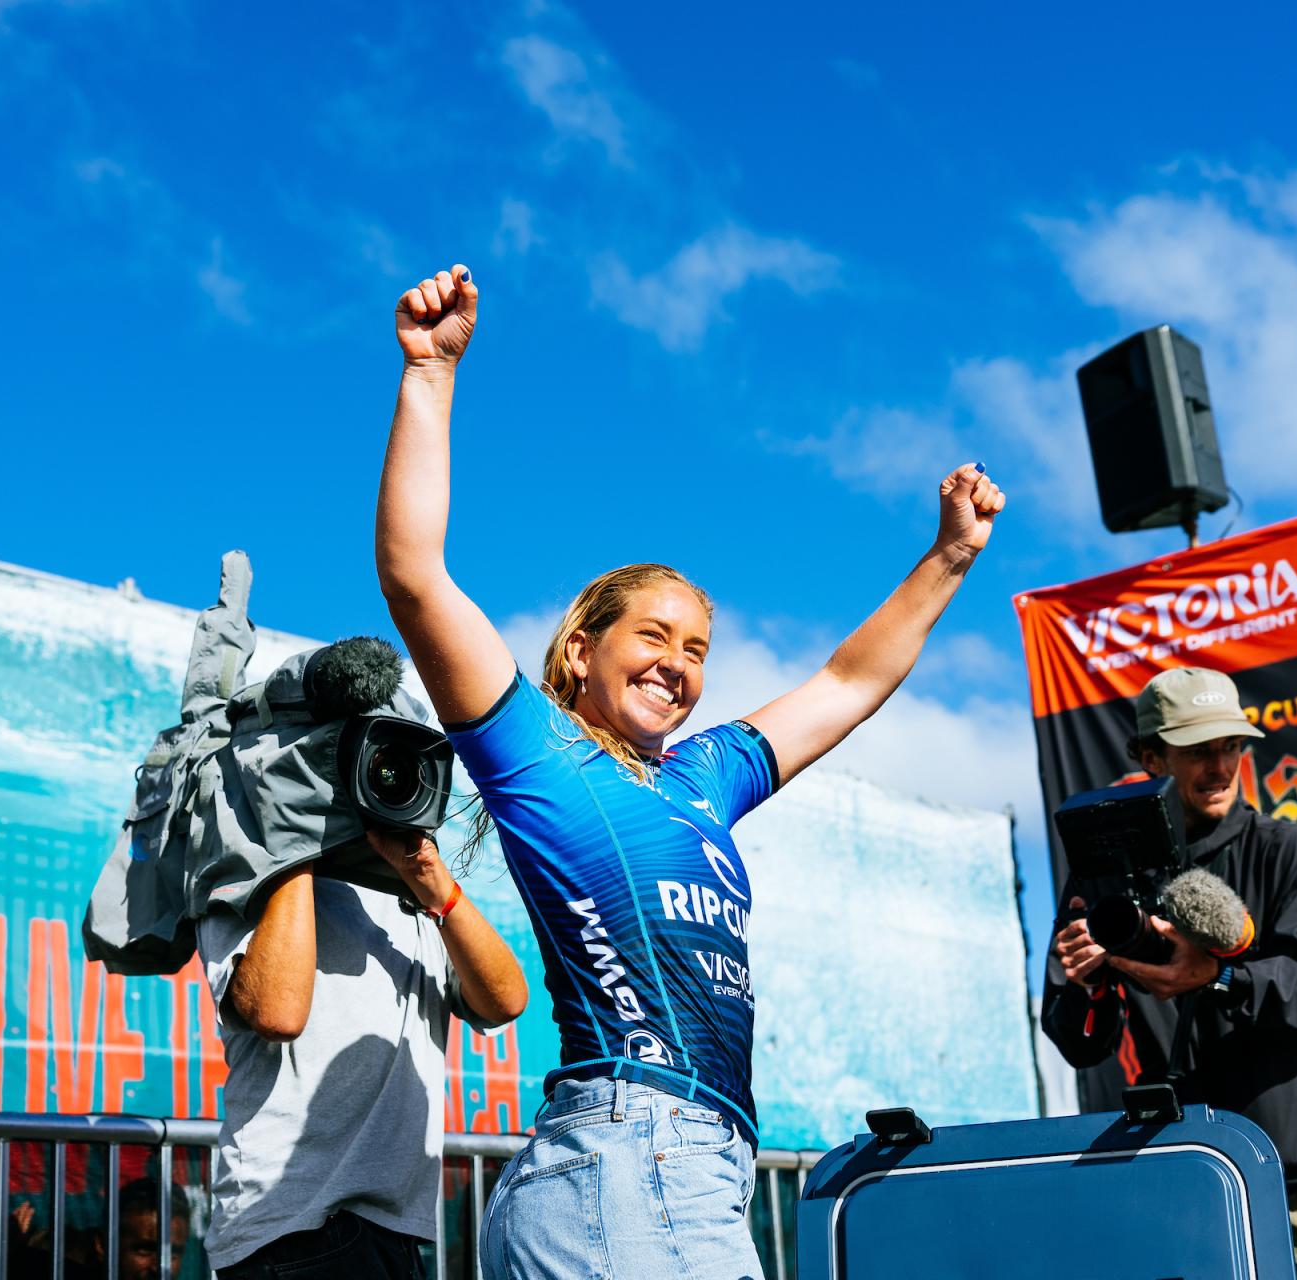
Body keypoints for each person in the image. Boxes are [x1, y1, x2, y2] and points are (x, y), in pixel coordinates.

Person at [375, 264, 1004, 1278]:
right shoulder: (542, 754)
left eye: (700, 648)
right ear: (581, 649)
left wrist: (949, 558)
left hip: (685, 1168)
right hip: (628, 1161)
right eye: (655, 635)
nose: (679, 663)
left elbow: (846, 682)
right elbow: (415, 574)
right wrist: (431, 372)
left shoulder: (705, 776)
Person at [1042, 666, 1297, 1280]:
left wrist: (1219, 977)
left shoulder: (1289, 850)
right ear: (1152, 756)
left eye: (1231, 746)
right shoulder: (1102, 877)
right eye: (1199, 750)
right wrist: (1088, 985)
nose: (1220, 766)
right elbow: (1079, 1043)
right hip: (1190, 1188)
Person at [199, 820, 529, 1280]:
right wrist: (295, 841)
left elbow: (505, 1001)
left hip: (390, 1225)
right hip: (297, 1223)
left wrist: (438, 889)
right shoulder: (250, 874)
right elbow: (279, 1014)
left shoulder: (410, 896)